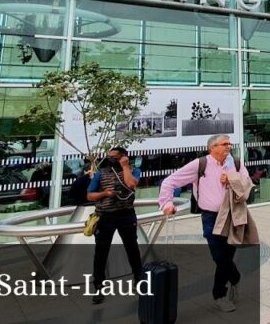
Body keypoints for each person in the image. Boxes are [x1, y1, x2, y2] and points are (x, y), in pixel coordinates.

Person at [160, 134, 252, 312]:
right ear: (212, 148)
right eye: (224, 144)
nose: (229, 147)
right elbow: (169, 182)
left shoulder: (237, 163)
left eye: (229, 144)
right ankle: (235, 277)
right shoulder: (200, 164)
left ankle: (219, 295)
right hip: (210, 216)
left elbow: (247, 184)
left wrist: (232, 180)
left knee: (226, 256)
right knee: (219, 257)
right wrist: (167, 203)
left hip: (233, 215)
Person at [87, 147, 141, 305]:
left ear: (124, 157)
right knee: (101, 252)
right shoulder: (101, 174)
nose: (110, 159)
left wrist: (124, 167)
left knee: (132, 248)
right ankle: (98, 286)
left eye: (114, 157)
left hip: (126, 214)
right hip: (105, 216)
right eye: (109, 157)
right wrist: (105, 194)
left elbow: (131, 185)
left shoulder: (133, 171)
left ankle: (139, 279)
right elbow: (90, 195)